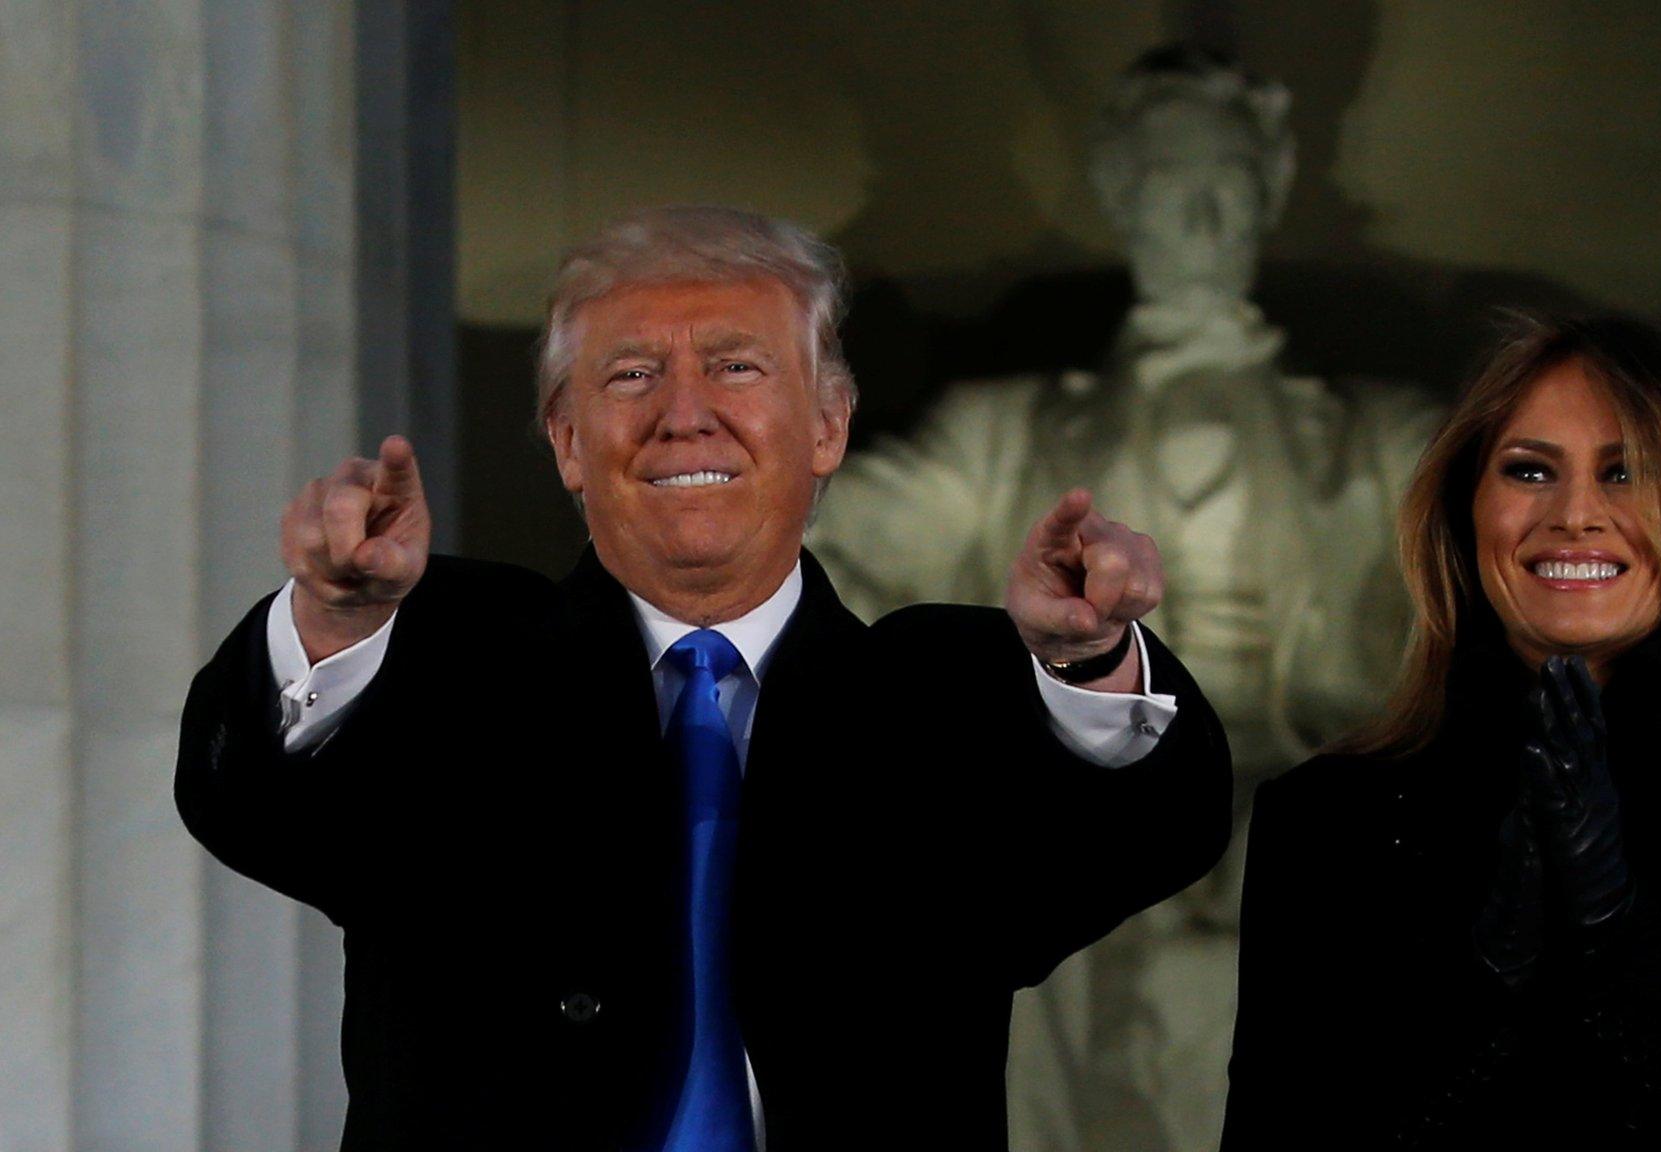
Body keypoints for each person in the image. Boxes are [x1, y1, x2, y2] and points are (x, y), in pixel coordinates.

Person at [175, 206, 1231, 1151]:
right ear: (566, 442)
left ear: (826, 426)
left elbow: (1145, 835)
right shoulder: (449, 659)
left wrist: (1086, 660)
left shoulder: (939, 698)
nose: (684, 414)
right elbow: (256, 807)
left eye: (735, 366)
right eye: (631, 375)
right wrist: (337, 616)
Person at [807, 46, 1438, 1151]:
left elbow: (1550, 533)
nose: (1195, 221)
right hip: (1081, 820)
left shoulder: (1378, 437)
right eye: (1161, 183)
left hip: (1313, 802)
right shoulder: (1000, 432)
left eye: (1225, 184)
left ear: (1269, 189)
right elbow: (796, 541)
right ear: (1116, 194)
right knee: (1029, 912)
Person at [1220, 313, 1661, 1149]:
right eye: (1528, 470)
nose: (1576, 513)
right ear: (1463, 509)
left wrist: (1620, 932)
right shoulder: (1324, 820)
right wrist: (1483, 978)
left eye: (1625, 472)